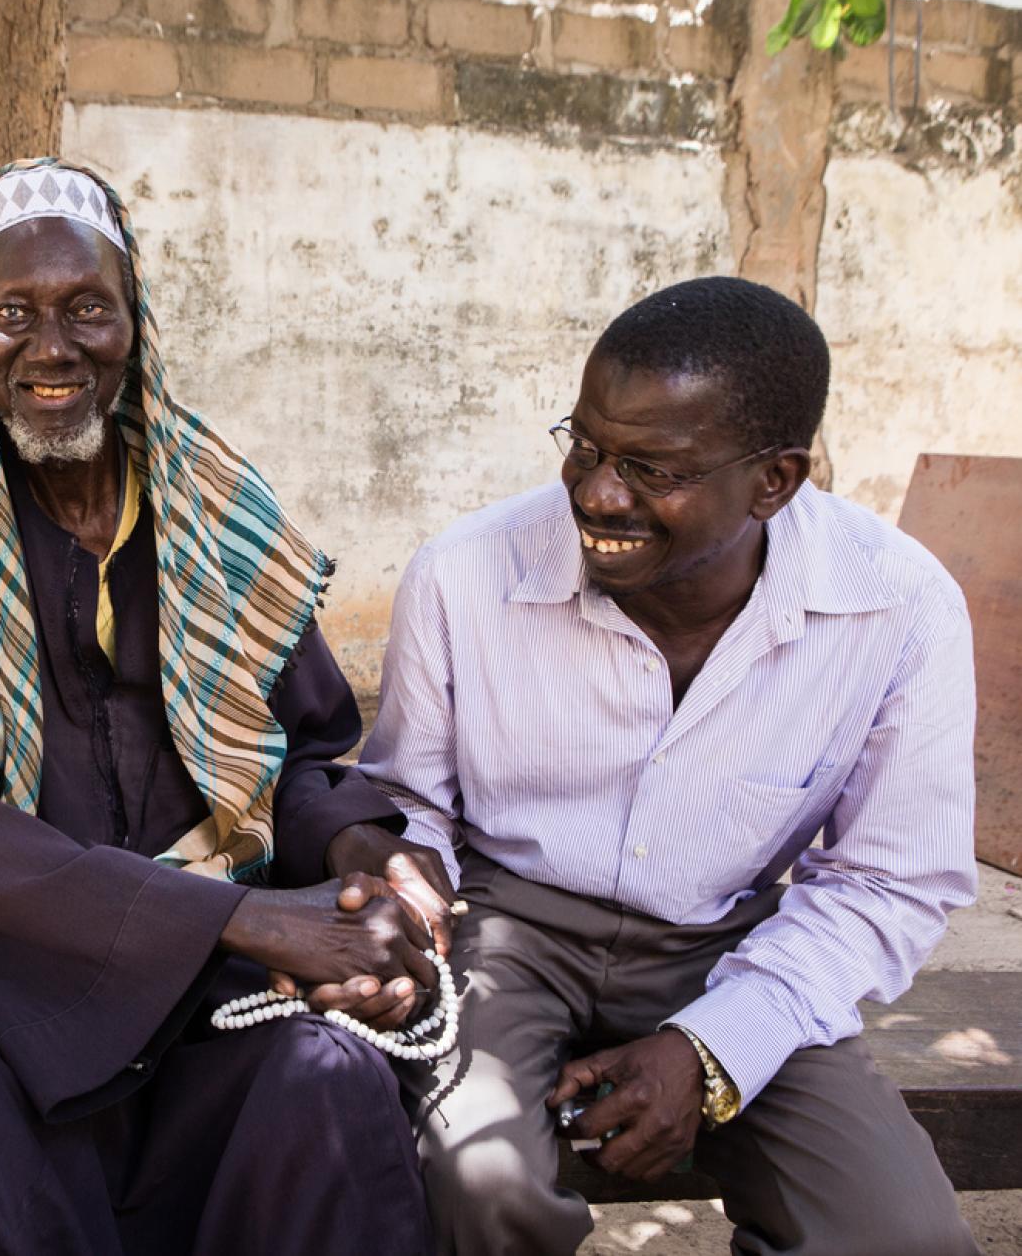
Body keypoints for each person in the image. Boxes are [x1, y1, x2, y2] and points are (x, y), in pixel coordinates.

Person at [0, 158, 437, 1255]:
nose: (52, 349)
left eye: (86, 307)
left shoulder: (216, 505)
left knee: (329, 1088)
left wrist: (361, 863)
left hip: (211, 980)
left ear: (133, 320)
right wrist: (243, 919)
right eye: (15, 315)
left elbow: (302, 751)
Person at [360, 276, 981, 1256]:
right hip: (505, 929)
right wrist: (407, 879)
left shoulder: (898, 607)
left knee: (899, 1235)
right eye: (586, 445)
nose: (598, 493)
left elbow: (887, 879)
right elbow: (408, 802)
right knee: (478, 1187)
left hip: (728, 943)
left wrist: (709, 1048)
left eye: (653, 469)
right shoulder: (465, 572)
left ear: (773, 481)